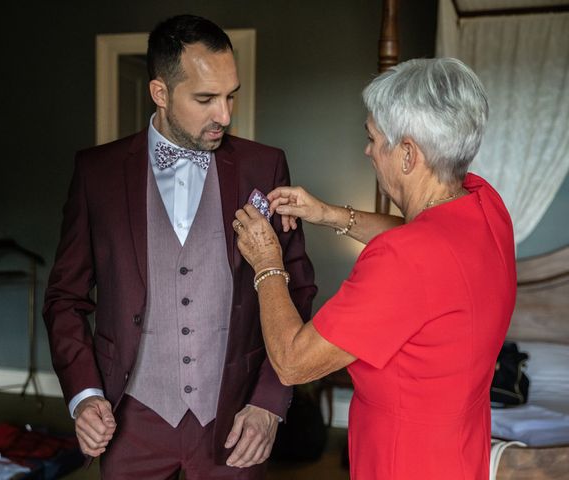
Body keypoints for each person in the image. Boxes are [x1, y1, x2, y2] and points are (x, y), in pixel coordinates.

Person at [43, 14, 316, 479]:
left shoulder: (264, 166)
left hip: (235, 419)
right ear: (161, 93)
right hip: (131, 417)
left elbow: (298, 290)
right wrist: (85, 395)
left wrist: (269, 402)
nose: (225, 115)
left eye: (231, 96)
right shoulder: (97, 173)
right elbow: (64, 299)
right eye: (206, 99)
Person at [233, 57, 516, 479]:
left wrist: (267, 262)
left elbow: (293, 361)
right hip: (460, 453)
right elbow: (425, 230)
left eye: (373, 137)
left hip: (403, 463)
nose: (367, 150)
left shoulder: (404, 261)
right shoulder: (484, 204)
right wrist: (328, 213)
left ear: (407, 154)